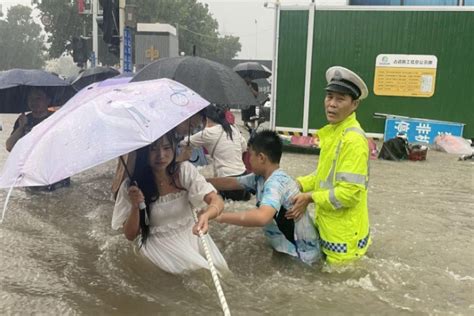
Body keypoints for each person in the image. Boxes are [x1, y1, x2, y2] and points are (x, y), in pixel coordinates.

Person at [112, 131, 229, 275]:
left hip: (194, 238)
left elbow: (216, 200)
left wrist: (207, 215)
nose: (161, 155)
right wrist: (136, 206)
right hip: (160, 249)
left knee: (220, 273)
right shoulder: (131, 187)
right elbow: (130, 235)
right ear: (143, 153)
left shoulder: (184, 171)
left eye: (166, 148)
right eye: (153, 149)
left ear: (174, 148)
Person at [289, 66, 371, 264]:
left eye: (340, 99)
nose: (332, 104)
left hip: (344, 242)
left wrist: (309, 197)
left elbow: (349, 194)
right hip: (330, 229)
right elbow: (324, 176)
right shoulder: (335, 133)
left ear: (354, 104)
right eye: (329, 97)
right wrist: (298, 184)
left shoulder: (352, 140)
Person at [207, 130, 321, 265]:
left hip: (302, 258)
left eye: (250, 155)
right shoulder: (260, 178)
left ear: (261, 158)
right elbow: (232, 182)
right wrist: (196, 182)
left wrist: (219, 217)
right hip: (287, 249)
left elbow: (262, 217)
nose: (248, 160)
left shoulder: (276, 184)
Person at [111, 109, 207, 199]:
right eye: (190, 126)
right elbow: (154, 163)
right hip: (140, 185)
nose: (190, 132)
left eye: (195, 128)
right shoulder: (157, 132)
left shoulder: (173, 135)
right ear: (182, 117)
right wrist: (180, 159)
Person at [6, 87, 70, 191]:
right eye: (30, 99)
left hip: (56, 174)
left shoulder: (57, 118)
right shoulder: (23, 120)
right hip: (32, 175)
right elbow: (9, 147)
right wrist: (21, 127)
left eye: (38, 98)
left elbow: (67, 145)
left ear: (48, 100)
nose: (33, 102)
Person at [182, 106, 250, 201]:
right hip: (243, 178)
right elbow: (244, 147)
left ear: (207, 119)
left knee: (200, 186)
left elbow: (184, 142)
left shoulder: (208, 133)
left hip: (226, 182)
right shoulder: (233, 129)